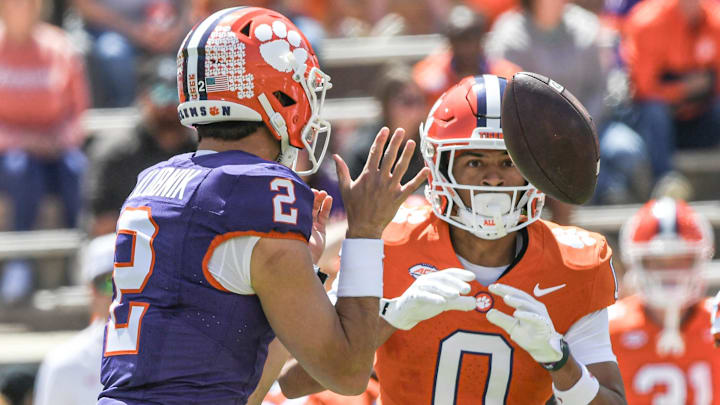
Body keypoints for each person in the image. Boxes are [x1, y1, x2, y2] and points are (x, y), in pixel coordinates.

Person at [98, 7, 438, 404]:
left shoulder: (153, 181)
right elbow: (348, 372)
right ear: (280, 94)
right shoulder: (260, 191)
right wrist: (364, 233)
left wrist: (301, 274)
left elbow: (243, 389)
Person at [279, 75, 627, 404]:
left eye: (508, 162)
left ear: (533, 170)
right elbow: (291, 382)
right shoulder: (389, 242)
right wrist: (391, 317)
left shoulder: (573, 263)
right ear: (441, 167)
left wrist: (560, 360)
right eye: (474, 162)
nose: (492, 179)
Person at [0, 0, 89, 305]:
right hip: (9, 152)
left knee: (76, 167)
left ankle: (77, 256)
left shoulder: (58, 46)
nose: (20, 8)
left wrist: (61, 139)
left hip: (55, 148)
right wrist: (23, 140)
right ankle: (20, 259)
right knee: (19, 167)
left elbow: (79, 112)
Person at [609, 197, 718, 404]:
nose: (670, 274)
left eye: (680, 260)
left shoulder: (715, 321)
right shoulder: (609, 328)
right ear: (636, 262)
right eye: (658, 262)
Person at [83, 56, 196, 236]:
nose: (169, 103)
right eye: (160, 93)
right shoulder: (116, 153)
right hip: (127, 242)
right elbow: (100, 224)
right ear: (143, 97)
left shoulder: (201, 151)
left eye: (176, 94)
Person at [623, 0, 720, 187]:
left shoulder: (715, 21)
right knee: (654, 110)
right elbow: (644, 89)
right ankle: (665, 181)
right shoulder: (649, 21)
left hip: (699, 117)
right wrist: (684, 89)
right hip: (656, 124)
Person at [34, 234, 116, 405]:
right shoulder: (63, 363)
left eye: (129, 282)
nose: (119, 293)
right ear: (90, 290)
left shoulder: (176, 353)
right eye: (108, 282)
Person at [412, 5, 520, 106]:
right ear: (449, 42)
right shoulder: (429, 75)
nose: (465, 47)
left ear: (482, 40)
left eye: (471, 39)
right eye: (458, 40)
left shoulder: (505, 76)